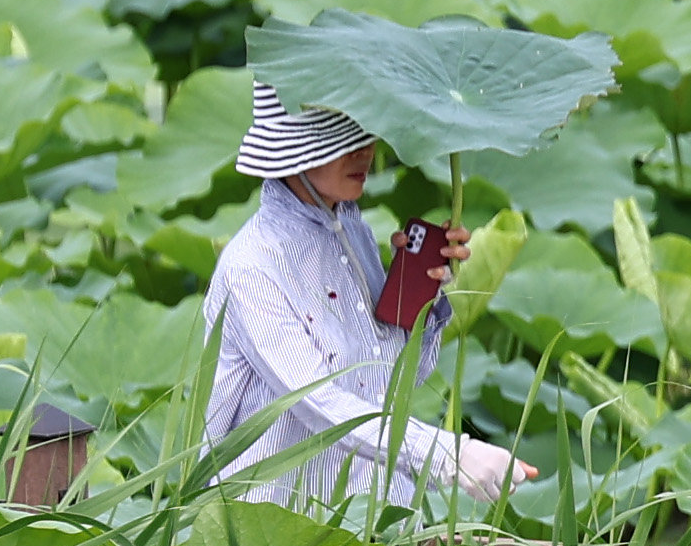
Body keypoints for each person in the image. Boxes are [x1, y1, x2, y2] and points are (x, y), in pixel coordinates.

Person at [203, 80, 535, 511]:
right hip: (274, 531)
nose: (365, 150)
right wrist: (451, 455)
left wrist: (424, 293)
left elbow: (391, 381)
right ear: (292, 147)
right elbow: (317, 404)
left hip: (373, 521)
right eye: (342, 135)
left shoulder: (352, 231)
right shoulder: (252, 265)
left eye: (366, 130)